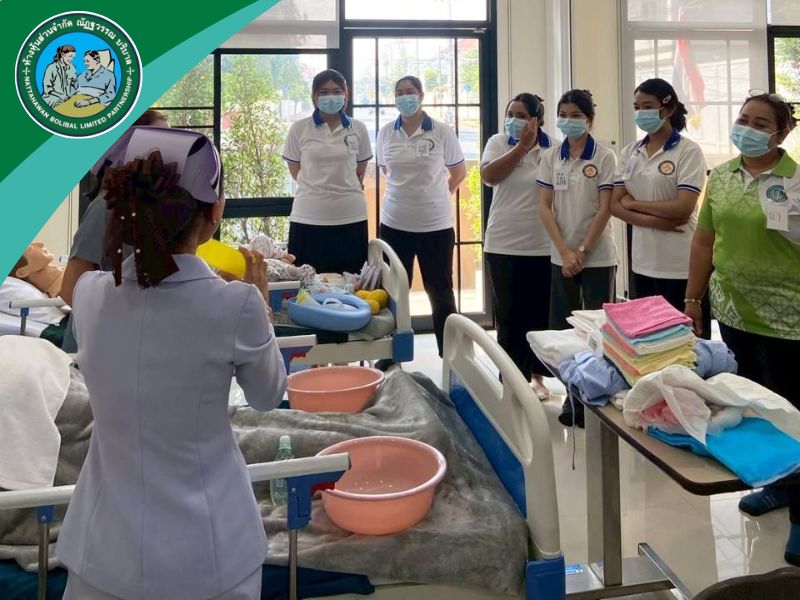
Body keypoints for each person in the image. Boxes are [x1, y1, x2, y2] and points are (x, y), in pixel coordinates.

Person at [56, 127, 286, 600]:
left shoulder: (90, 295)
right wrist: (261, 303)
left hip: (102, 554)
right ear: (214, 213)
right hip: (210, 551)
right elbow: (268, 396)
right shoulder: (235, 305)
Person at [684, 92, 800, 565]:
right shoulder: (722, 177)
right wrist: (693, 298)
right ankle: (778, 485)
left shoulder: (794, 179)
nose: (747, 129)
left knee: (793, 411)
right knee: (755, 405)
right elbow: (704, 240)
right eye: (742, 119)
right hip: (733, 313)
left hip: (789, 318)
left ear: (782, 132)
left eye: (760, 123)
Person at [58, 109, 169, 355]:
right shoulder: (108, 206)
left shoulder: (151, 211)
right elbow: (70, 289)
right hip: (96, 350)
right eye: (160, 143)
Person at [610, 78, 710, 336]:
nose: (640, 113)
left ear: (668, 109)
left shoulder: (688, 151)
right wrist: (659, 222)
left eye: (647, 106)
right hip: (642, 262)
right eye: (637, 107)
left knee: (685, 343)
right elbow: (615, 205)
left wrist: (635, 204)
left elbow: (683, 208)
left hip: (680, 265)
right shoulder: (630, 152)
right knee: (648, 342)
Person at [376, 75, 466, 357]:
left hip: (435, 227)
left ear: (421, 95)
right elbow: (387, 171)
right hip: (394, 224)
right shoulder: (386, 133)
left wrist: (437, 195)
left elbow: (459, 172)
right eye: (399, 92)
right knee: (393, 293)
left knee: (440, 292)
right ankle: (392, 356)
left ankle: (450, 357)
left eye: (410, 91)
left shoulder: (441, 131)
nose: (405, 97)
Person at [481, 92, 554, 399]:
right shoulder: (499, 142)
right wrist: (522, 146)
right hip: (503, 243)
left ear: (537, 120)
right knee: (509, 318)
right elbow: (489, 176)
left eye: (522, 116)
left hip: (542, 245)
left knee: (538, 316)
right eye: (510, 114)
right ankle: (511, 381)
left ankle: (537, 377)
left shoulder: (554, 149)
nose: (513, 120)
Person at [538, 89, 618, 330]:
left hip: (598, 255)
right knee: (561, 328)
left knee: (600, 328)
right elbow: (544, 206)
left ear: (589, 120)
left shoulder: (604, 157)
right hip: (561, 256)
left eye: (575, 115)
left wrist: (582, 252)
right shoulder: (551, 157)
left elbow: (605, 209)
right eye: (563, 115)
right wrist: (565, 252)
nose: (568, 120)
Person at [282, 69, 372, 274]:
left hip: (351, 216)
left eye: (337, 91)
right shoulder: (299, 128)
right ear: (314, 96)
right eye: (324, 92)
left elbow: (359, 172)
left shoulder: (358, 128)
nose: (331, 96)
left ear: (346, 95)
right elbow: (296, 171)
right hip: (308, 217)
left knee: (351, 282)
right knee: (306, 282)